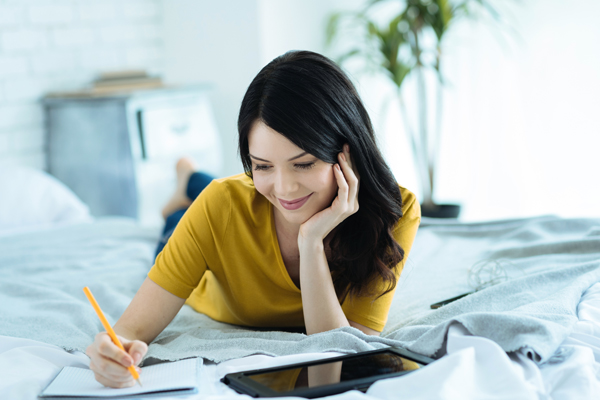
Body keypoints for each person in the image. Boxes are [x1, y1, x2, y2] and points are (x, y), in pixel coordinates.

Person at [85, 50, 421, 388]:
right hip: (202, 238)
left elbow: (341, 352)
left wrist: (311, 242)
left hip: (238, 204)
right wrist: (108, 354)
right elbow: (126, 332)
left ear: (348, 153)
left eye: (303, 163)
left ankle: (188, 177)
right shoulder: (220, 207)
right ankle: (187, 178)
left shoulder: (396, 210)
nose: (285, 187)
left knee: (255, 194)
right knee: (194, 209)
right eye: (261, 165)